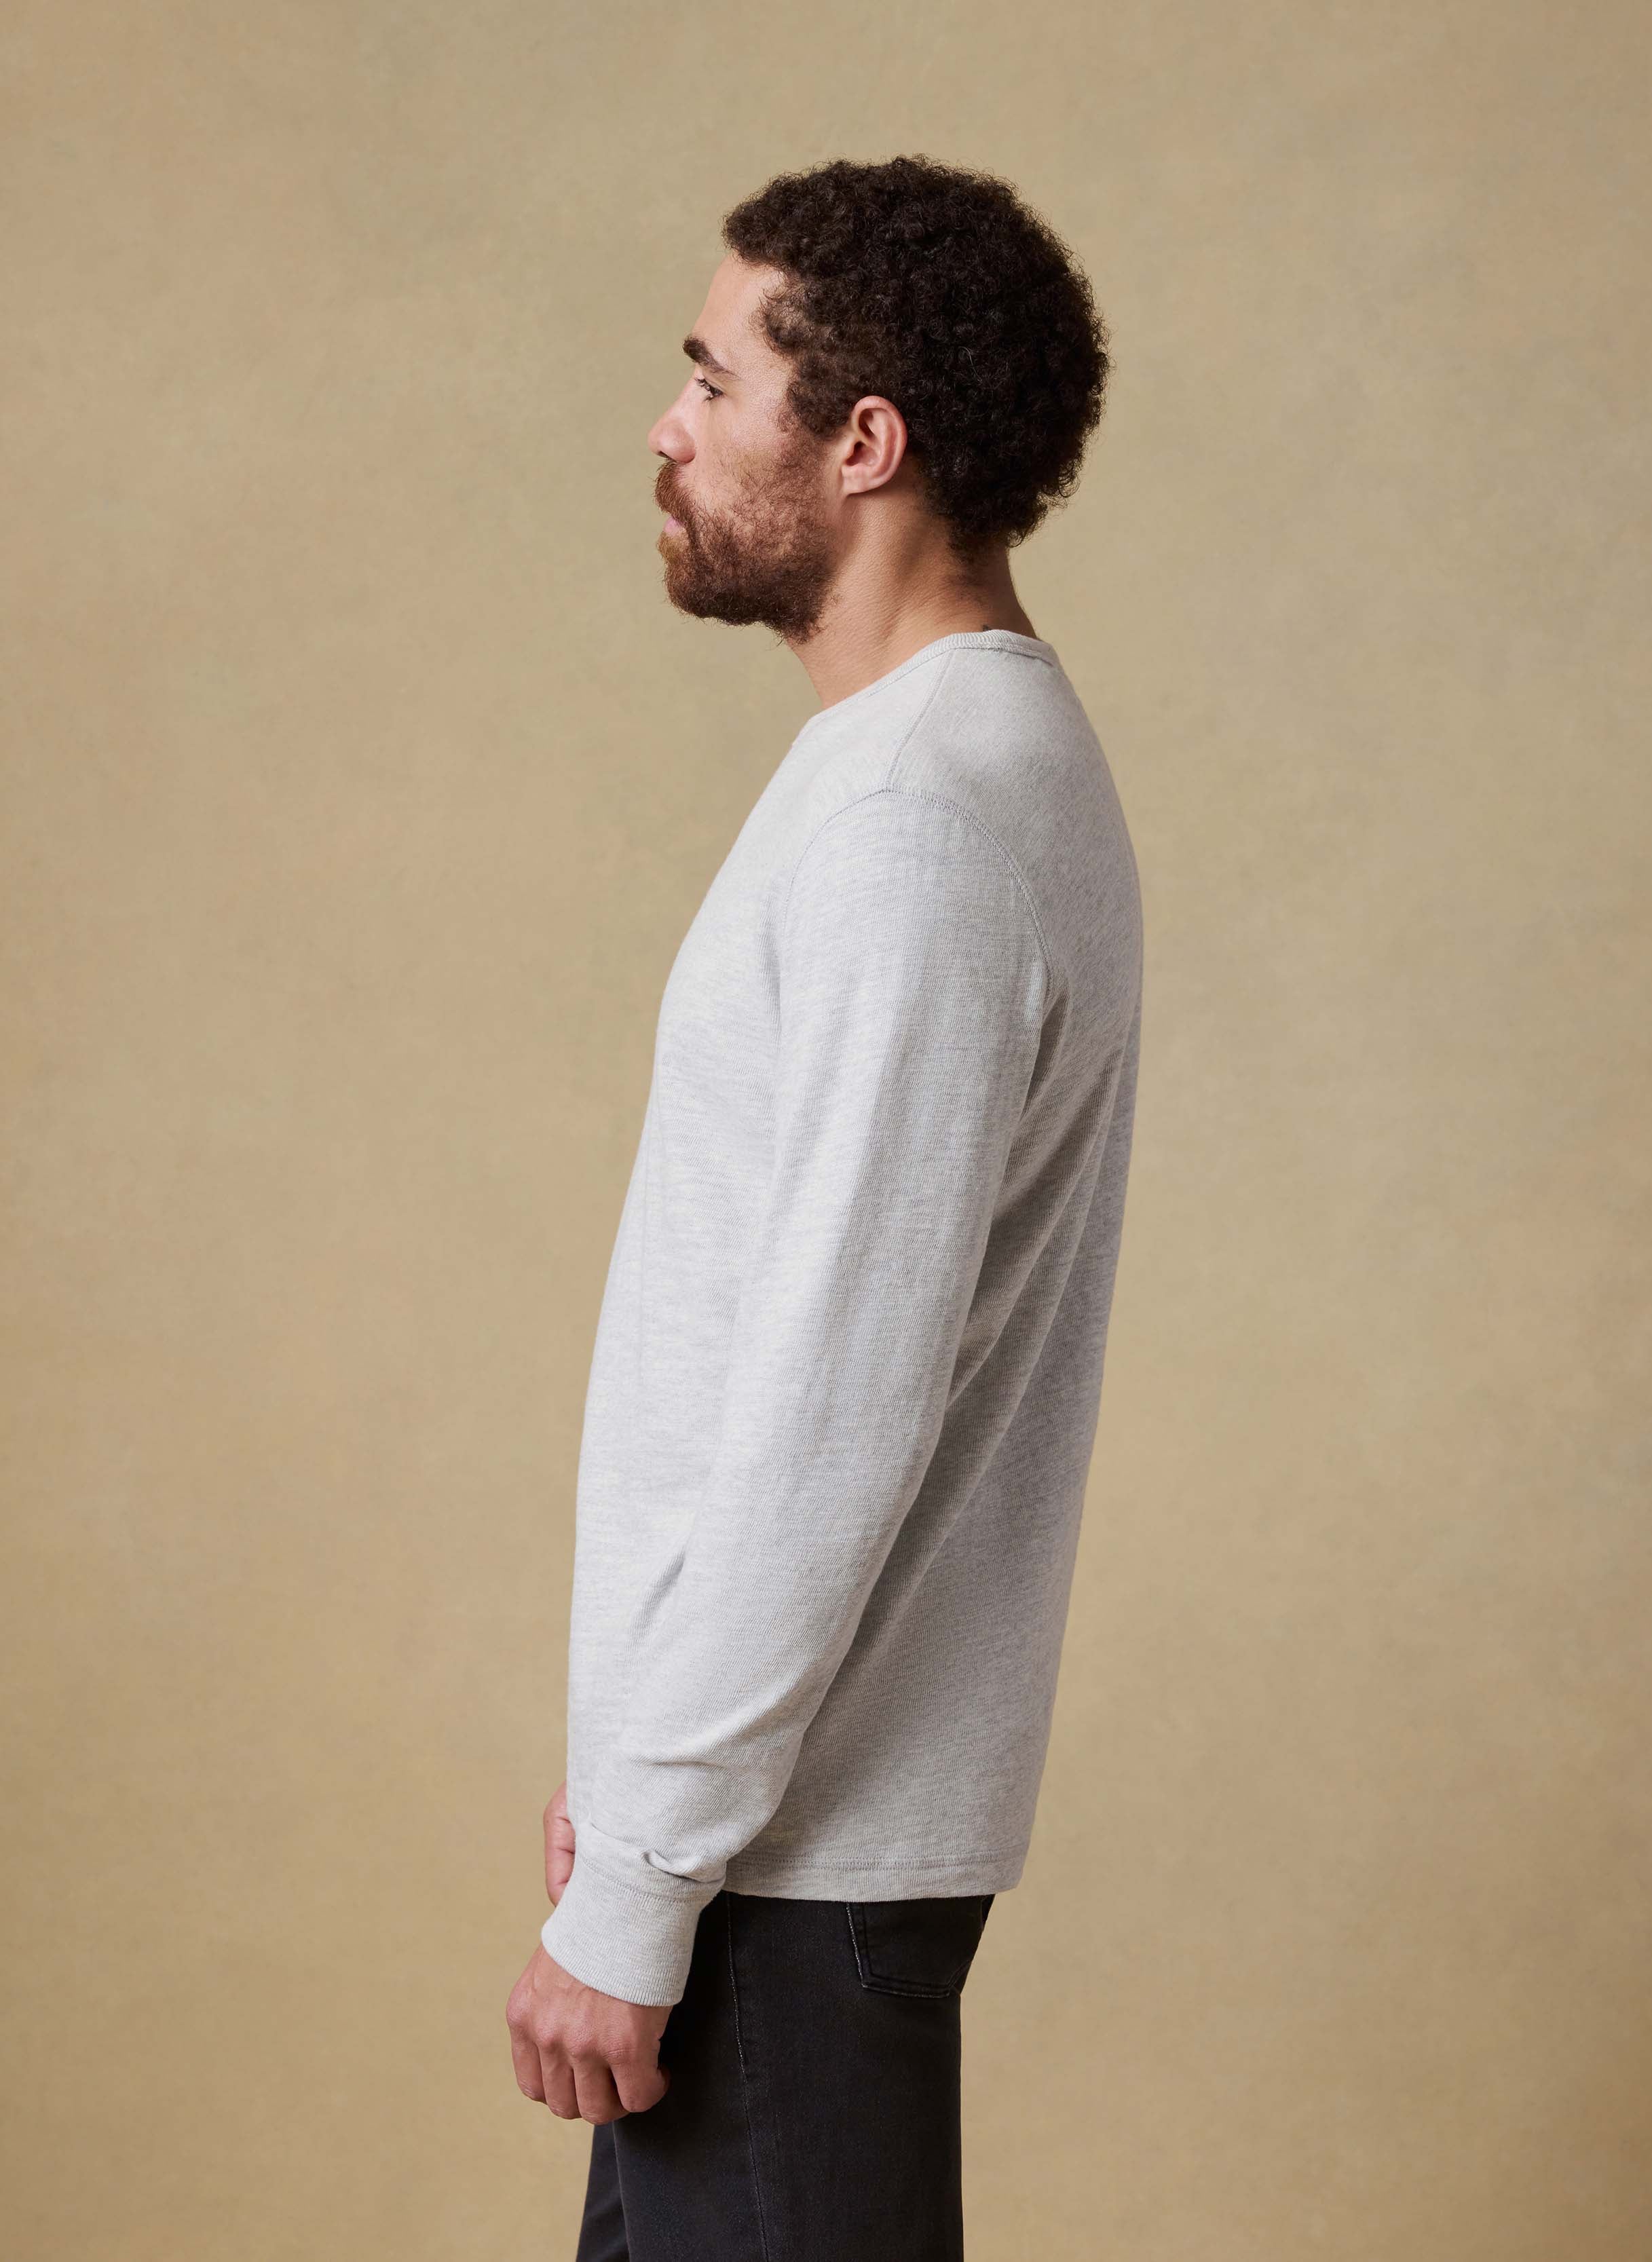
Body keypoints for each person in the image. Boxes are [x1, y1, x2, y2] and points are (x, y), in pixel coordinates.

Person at [505, 153, 1143, 2261]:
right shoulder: (921, 766)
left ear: (861, 443)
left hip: (789, 1869)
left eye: (713, 377)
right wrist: (643, 1795)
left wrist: (648, 1861)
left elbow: (824, 1417)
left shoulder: (916, 831)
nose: (670, 426)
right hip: (767, 1852)